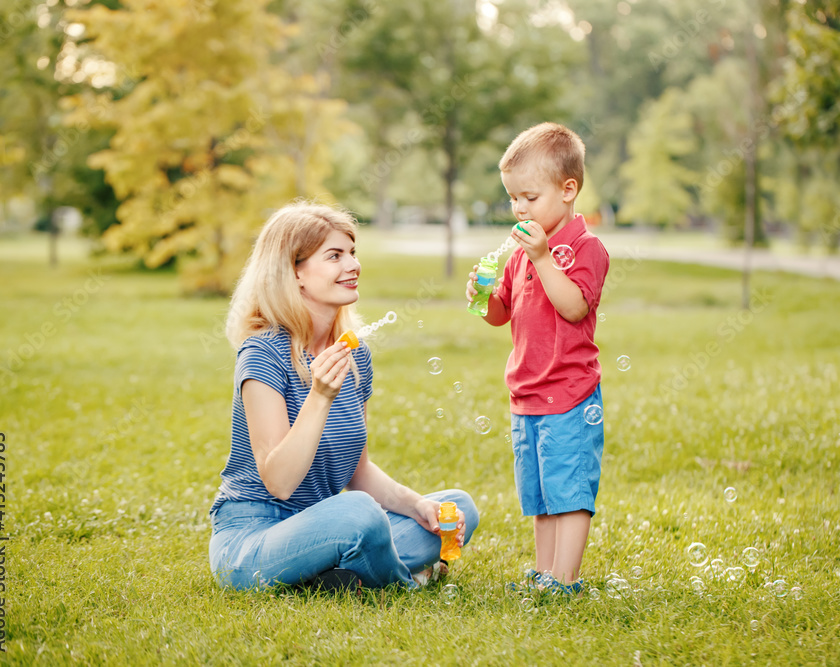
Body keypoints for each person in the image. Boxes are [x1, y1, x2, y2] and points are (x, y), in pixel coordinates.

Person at [209, 201, 478, 592]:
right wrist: (319, 396)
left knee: (456, 505)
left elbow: (359, 471)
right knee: (358, 513)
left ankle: (330, 575)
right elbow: (280, 482)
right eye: (334, 255)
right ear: (294, 272)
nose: (352, 266)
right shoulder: (262, 353)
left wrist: (418, 505)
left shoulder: (354, 357)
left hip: (326, 523)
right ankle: (401, 582)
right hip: (255, 538)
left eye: (352, 253)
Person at [466, 123, 608, 594]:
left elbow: (574, 307)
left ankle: (566, 579)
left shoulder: (585, 248)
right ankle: (545, 572)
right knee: (542, 494)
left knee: (569, 490)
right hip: (526, 392)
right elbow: (500, 314)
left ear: (569, 190)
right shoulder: (520, 253)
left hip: (569, 392)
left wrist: (544, 258)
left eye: (529, 197)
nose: (519, 209)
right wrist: (483, 297)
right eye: (513, 199)